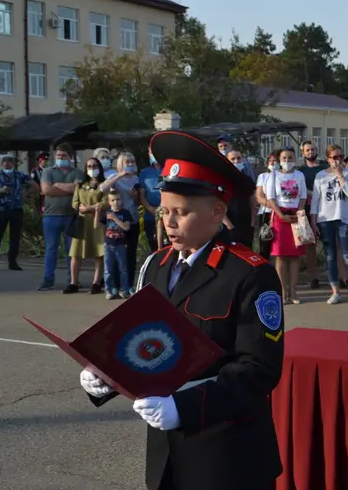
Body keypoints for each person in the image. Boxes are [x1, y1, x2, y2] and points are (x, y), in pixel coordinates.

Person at [78, 130, 284, 490]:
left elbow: (259, 369)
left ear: (217, 213)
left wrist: (183, 408)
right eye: (165, 210)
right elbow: (143, 343)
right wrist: (107, 377)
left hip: (227, 455)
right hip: (165, 455)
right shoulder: (156, 265)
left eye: (182, 213)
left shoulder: (250, 274)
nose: (168, 222)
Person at [310, 145, 348, 307]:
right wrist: (314, 222)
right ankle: (335, 291)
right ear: (328, 159)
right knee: (330, 257)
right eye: (334, 157)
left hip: (343, 219)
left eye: (341, 157)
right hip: (325, 219)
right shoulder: (320, 176)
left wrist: (339, 174)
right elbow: (315, 200)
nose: (338, 160)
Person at [38, 143, 85, 291]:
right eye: (58, 155)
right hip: (51, 216)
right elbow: (46, 190)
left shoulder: (77, 172)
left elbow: (79, 188)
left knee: (72, 250)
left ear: (70, 157)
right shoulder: (48, 171)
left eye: (63, 156)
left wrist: (57, 185)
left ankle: (72, 279)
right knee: (51, 249)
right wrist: (69, 188)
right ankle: (48, 279)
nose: (60, 158)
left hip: (71, 216)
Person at [265, 147, 307, 304]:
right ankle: (282, 292)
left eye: (290, 158)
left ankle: (294, 291)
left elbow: (303, 196)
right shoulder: (274, 175)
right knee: (281, 257)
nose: (287, 161)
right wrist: (280, 214)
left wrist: (299, 212)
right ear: (279, 160)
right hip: (279, 217)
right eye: (284, 158)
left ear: (295, 159)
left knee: (295, 256)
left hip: (296, 216)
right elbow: (271, 197)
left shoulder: (299, 175)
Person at [100, 152, 142, 294]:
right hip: (116, 224)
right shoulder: (114, 178)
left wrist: (135, 197)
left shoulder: (136, 178)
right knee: (116, 256)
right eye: (127, 162)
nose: (130, 164)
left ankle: (128, 285)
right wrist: (119, 175)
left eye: (132, 162)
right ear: (121, 164)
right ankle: (114, 285)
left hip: (132, 220)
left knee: (130, 254)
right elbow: (103, 190)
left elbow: (137, 203)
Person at [65, 158, 106, 294]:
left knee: (99, 253)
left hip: (97, 222)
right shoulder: (81, 185)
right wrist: (79, 206)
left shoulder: (103, 185)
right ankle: (73, 283)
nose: (92, 168)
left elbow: (105, 202)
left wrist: (91, 207)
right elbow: (74, 202)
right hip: (81, 222)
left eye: (94, 166)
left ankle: (96, 282)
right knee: (76, 253)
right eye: (89, 166)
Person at [0, 155, 39, 272]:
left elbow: (35, 186)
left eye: (10, 164)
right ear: (2, 165)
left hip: (16, 209)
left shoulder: (20, 175)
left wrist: (25, 194)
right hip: (2, 209)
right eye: (5, 164)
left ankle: (12, 262)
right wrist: (1, 191)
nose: (7, 166)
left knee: (15, 237)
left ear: (13, 165)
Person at [297, 140, 327, 289]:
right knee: (310, 245)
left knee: (331, 244)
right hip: (308, 211)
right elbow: (299, 190)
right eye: (307, 150)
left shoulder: (324, 168)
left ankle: (337, 276)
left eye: (313, 149)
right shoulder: (300, 171)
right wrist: (314, 194)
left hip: (326, 210)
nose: (310, 152)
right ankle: (313, 277)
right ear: (303, 153)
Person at [95, 189, 132, 299]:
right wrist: (97, 212)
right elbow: (96, 226)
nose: (116, 202)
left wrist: (115, 218)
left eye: (118, 199)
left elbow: (126, 227)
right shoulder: (106, 212)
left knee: (123, 269)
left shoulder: (125, 213)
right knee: (108, 270)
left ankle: (124, 289)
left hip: (121, 244)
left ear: (122, 200)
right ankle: (108, 290)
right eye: (113, 200)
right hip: (108, 244)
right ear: (109, 202)